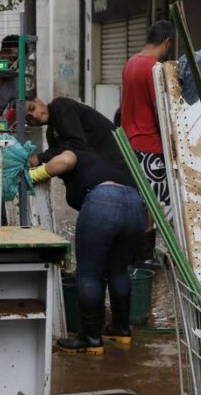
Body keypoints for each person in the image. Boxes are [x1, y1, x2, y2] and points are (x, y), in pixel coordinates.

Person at [28, 149, 146, 354]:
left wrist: (34, 174)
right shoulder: (103, 164)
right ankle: (121, 329)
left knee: (89, 273)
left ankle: (90, 338)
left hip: (104, 202)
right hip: (136, 205)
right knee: (118, 270)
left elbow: (65, 160)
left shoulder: (74, 154)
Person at [121, 19, 174, 267]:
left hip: (130, 141)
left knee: (137, 197)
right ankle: (144, 255)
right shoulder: (154, 68)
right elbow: (157, 107)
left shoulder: (130, 63)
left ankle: (132, 252)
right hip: (150, 143)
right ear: (166, 43)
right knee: (153, 201)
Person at [24, 96, 125, 167]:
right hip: (103, 169)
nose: (35, 116)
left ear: (38, 101)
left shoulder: (59, 106)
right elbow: (57, 160)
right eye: (29, 118)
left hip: (119, 160)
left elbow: (77, 143)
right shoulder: (50, 133)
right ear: (31, 125)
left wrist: (38, 159)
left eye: (32, 108)